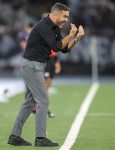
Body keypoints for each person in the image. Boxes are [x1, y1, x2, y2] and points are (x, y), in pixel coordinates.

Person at [8, 2, 84, 147]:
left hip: (36, 66)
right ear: (55, 14)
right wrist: (70, 34)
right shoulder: (44, 26)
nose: (66, 20)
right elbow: (56, 46)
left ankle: (14, 136)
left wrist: (77, 37)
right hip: (32, 66)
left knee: (29, 102)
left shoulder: (54, 27)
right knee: (43, 101)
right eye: (65, 16)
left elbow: (64, 49)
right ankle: (40, 139)